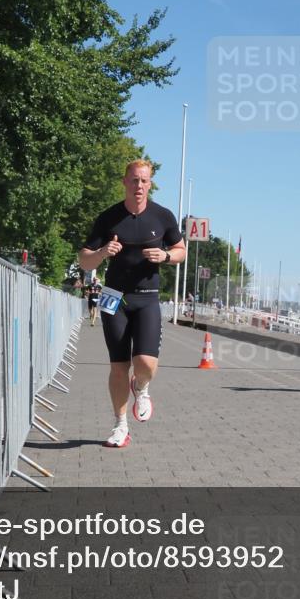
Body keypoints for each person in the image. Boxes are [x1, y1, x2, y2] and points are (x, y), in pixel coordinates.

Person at [78, 160, 186, 448]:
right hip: (113, 297)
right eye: (134, 180)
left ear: (150, 184)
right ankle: (120, 425)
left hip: (147, 297)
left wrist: (165, 256)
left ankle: (141, 386)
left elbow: (181, 250)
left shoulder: (162, 216)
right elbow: (84, 259)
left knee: (146, 364)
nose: (139, 185)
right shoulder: (109, 217)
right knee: (118, 365)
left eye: (144, 181)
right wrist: (102, 252)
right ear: (125, 182)